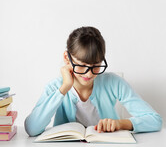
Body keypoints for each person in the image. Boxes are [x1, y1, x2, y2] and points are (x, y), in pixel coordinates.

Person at [24, 26, 162, 136]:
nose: (89, 74)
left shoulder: (114, 83)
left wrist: (120, 124)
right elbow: (32, 128)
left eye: (96, 66)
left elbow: (154, 120)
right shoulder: (55, 88)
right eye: (82, 65)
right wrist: (64, 88)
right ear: (67, 58)